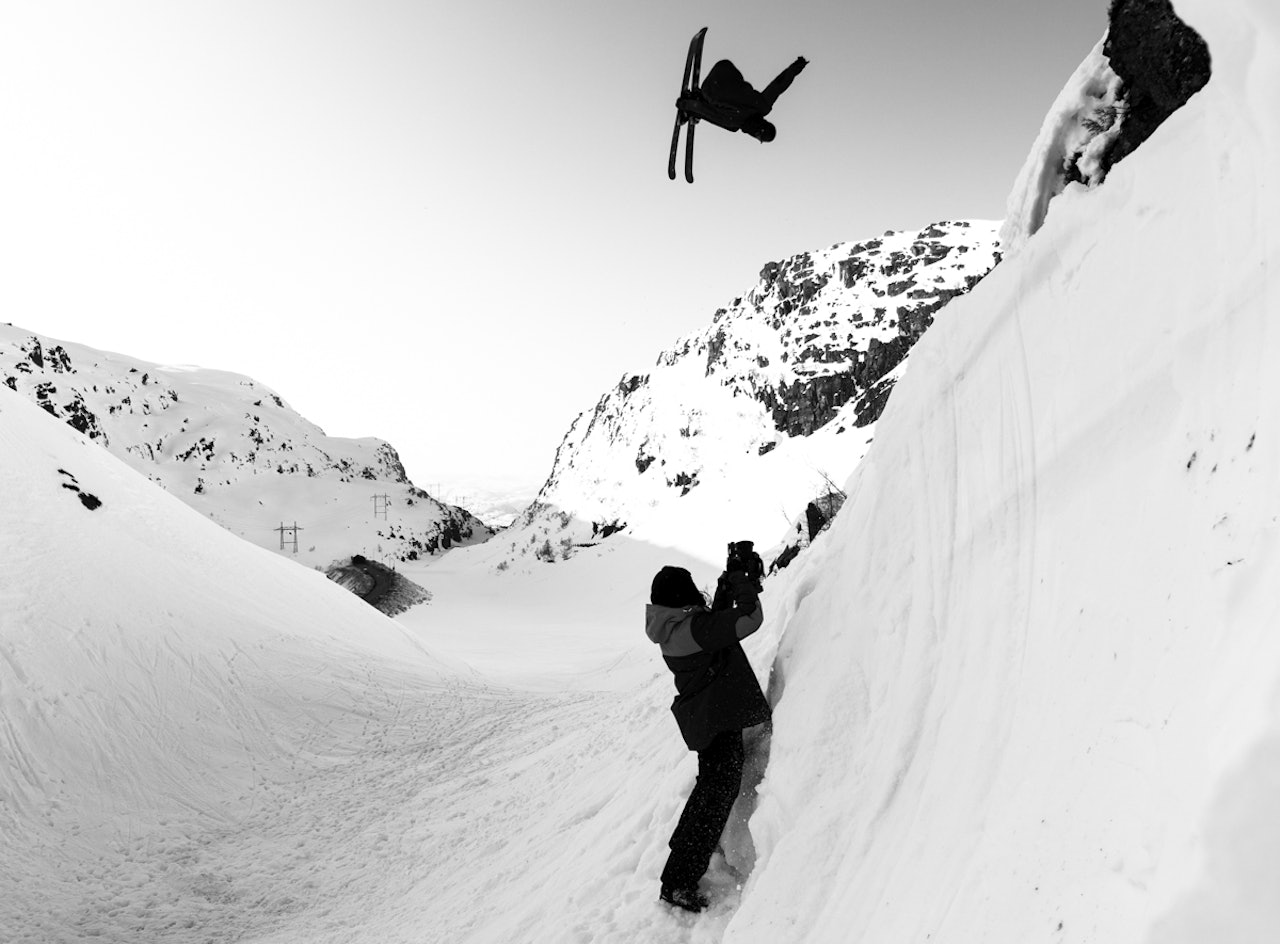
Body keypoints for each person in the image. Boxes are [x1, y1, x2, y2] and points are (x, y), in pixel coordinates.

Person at [645, 550, 771, 913]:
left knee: (707, 795)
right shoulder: (693, 629)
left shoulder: (671, 626)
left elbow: (709, 629)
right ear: (681, 600)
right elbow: (749, 618)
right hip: (717, 722)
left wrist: (723, 589)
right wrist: (741, 583)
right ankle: (679, 881)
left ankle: (678, 867)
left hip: (709, 719)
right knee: (713, 800)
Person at [679, 56, 808, 142]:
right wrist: (687, 105)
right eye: (757, 136)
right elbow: (711, 114)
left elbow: (778, 85)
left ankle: (699, 99)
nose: (754, 136)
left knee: (727, 115)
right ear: (760, 129)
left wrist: (795, 68)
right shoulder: (735, 121)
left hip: (725, 68)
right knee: (727, 121)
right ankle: (697, 103)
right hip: (711, 87)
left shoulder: (763, 106)